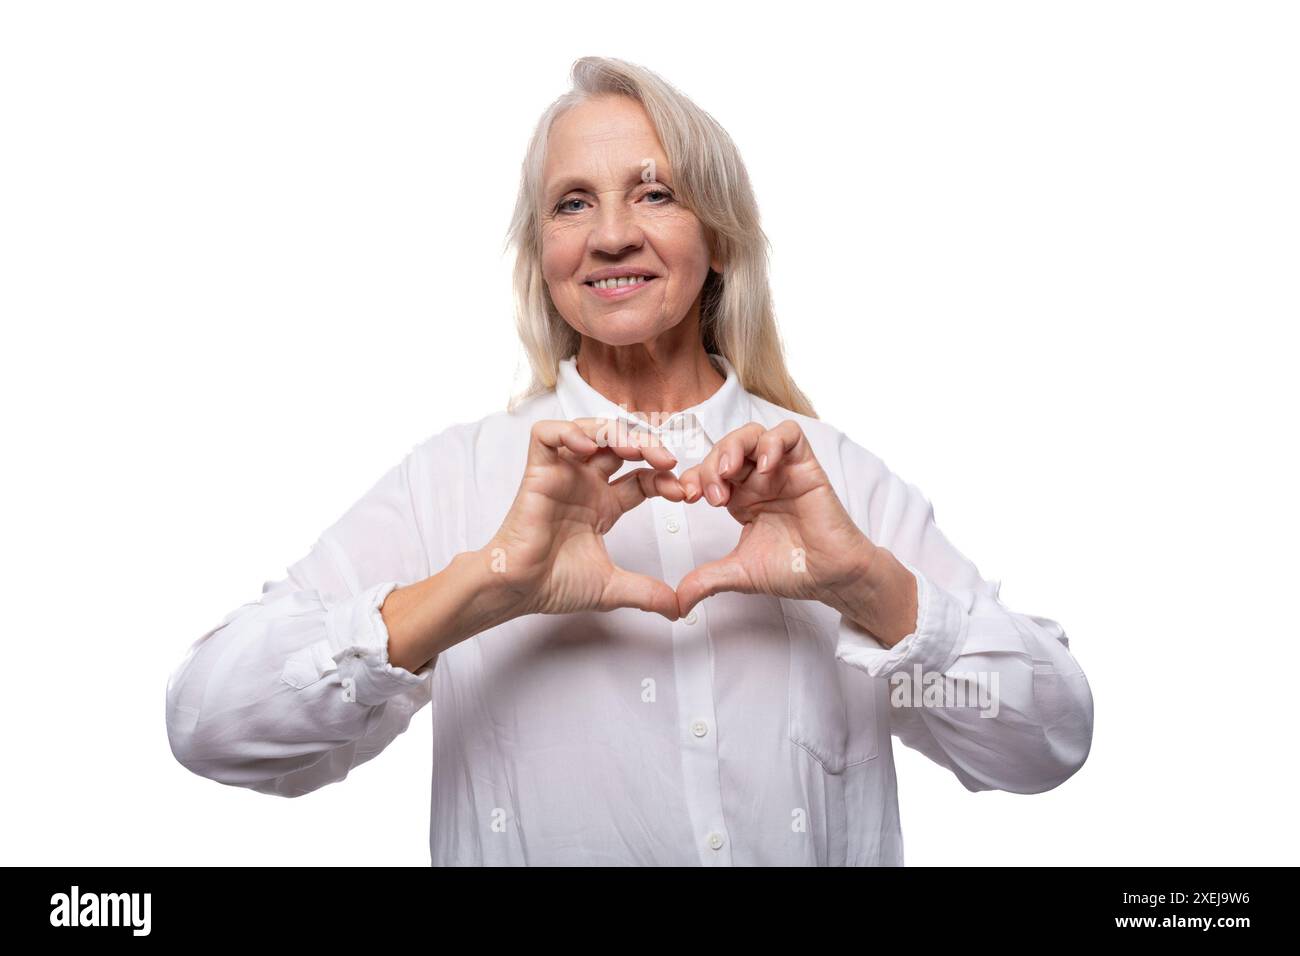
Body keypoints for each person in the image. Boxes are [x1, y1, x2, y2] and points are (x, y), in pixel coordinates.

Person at [165, 56, 1094, 866]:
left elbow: (1047, 741)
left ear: (719, 236)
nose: (612, 233)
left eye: (655, 192)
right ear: (546, 256)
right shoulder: (451, 481)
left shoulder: (837, 480)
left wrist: (869, 588)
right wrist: (484, 585)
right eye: (574, 203)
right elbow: (210, 726)